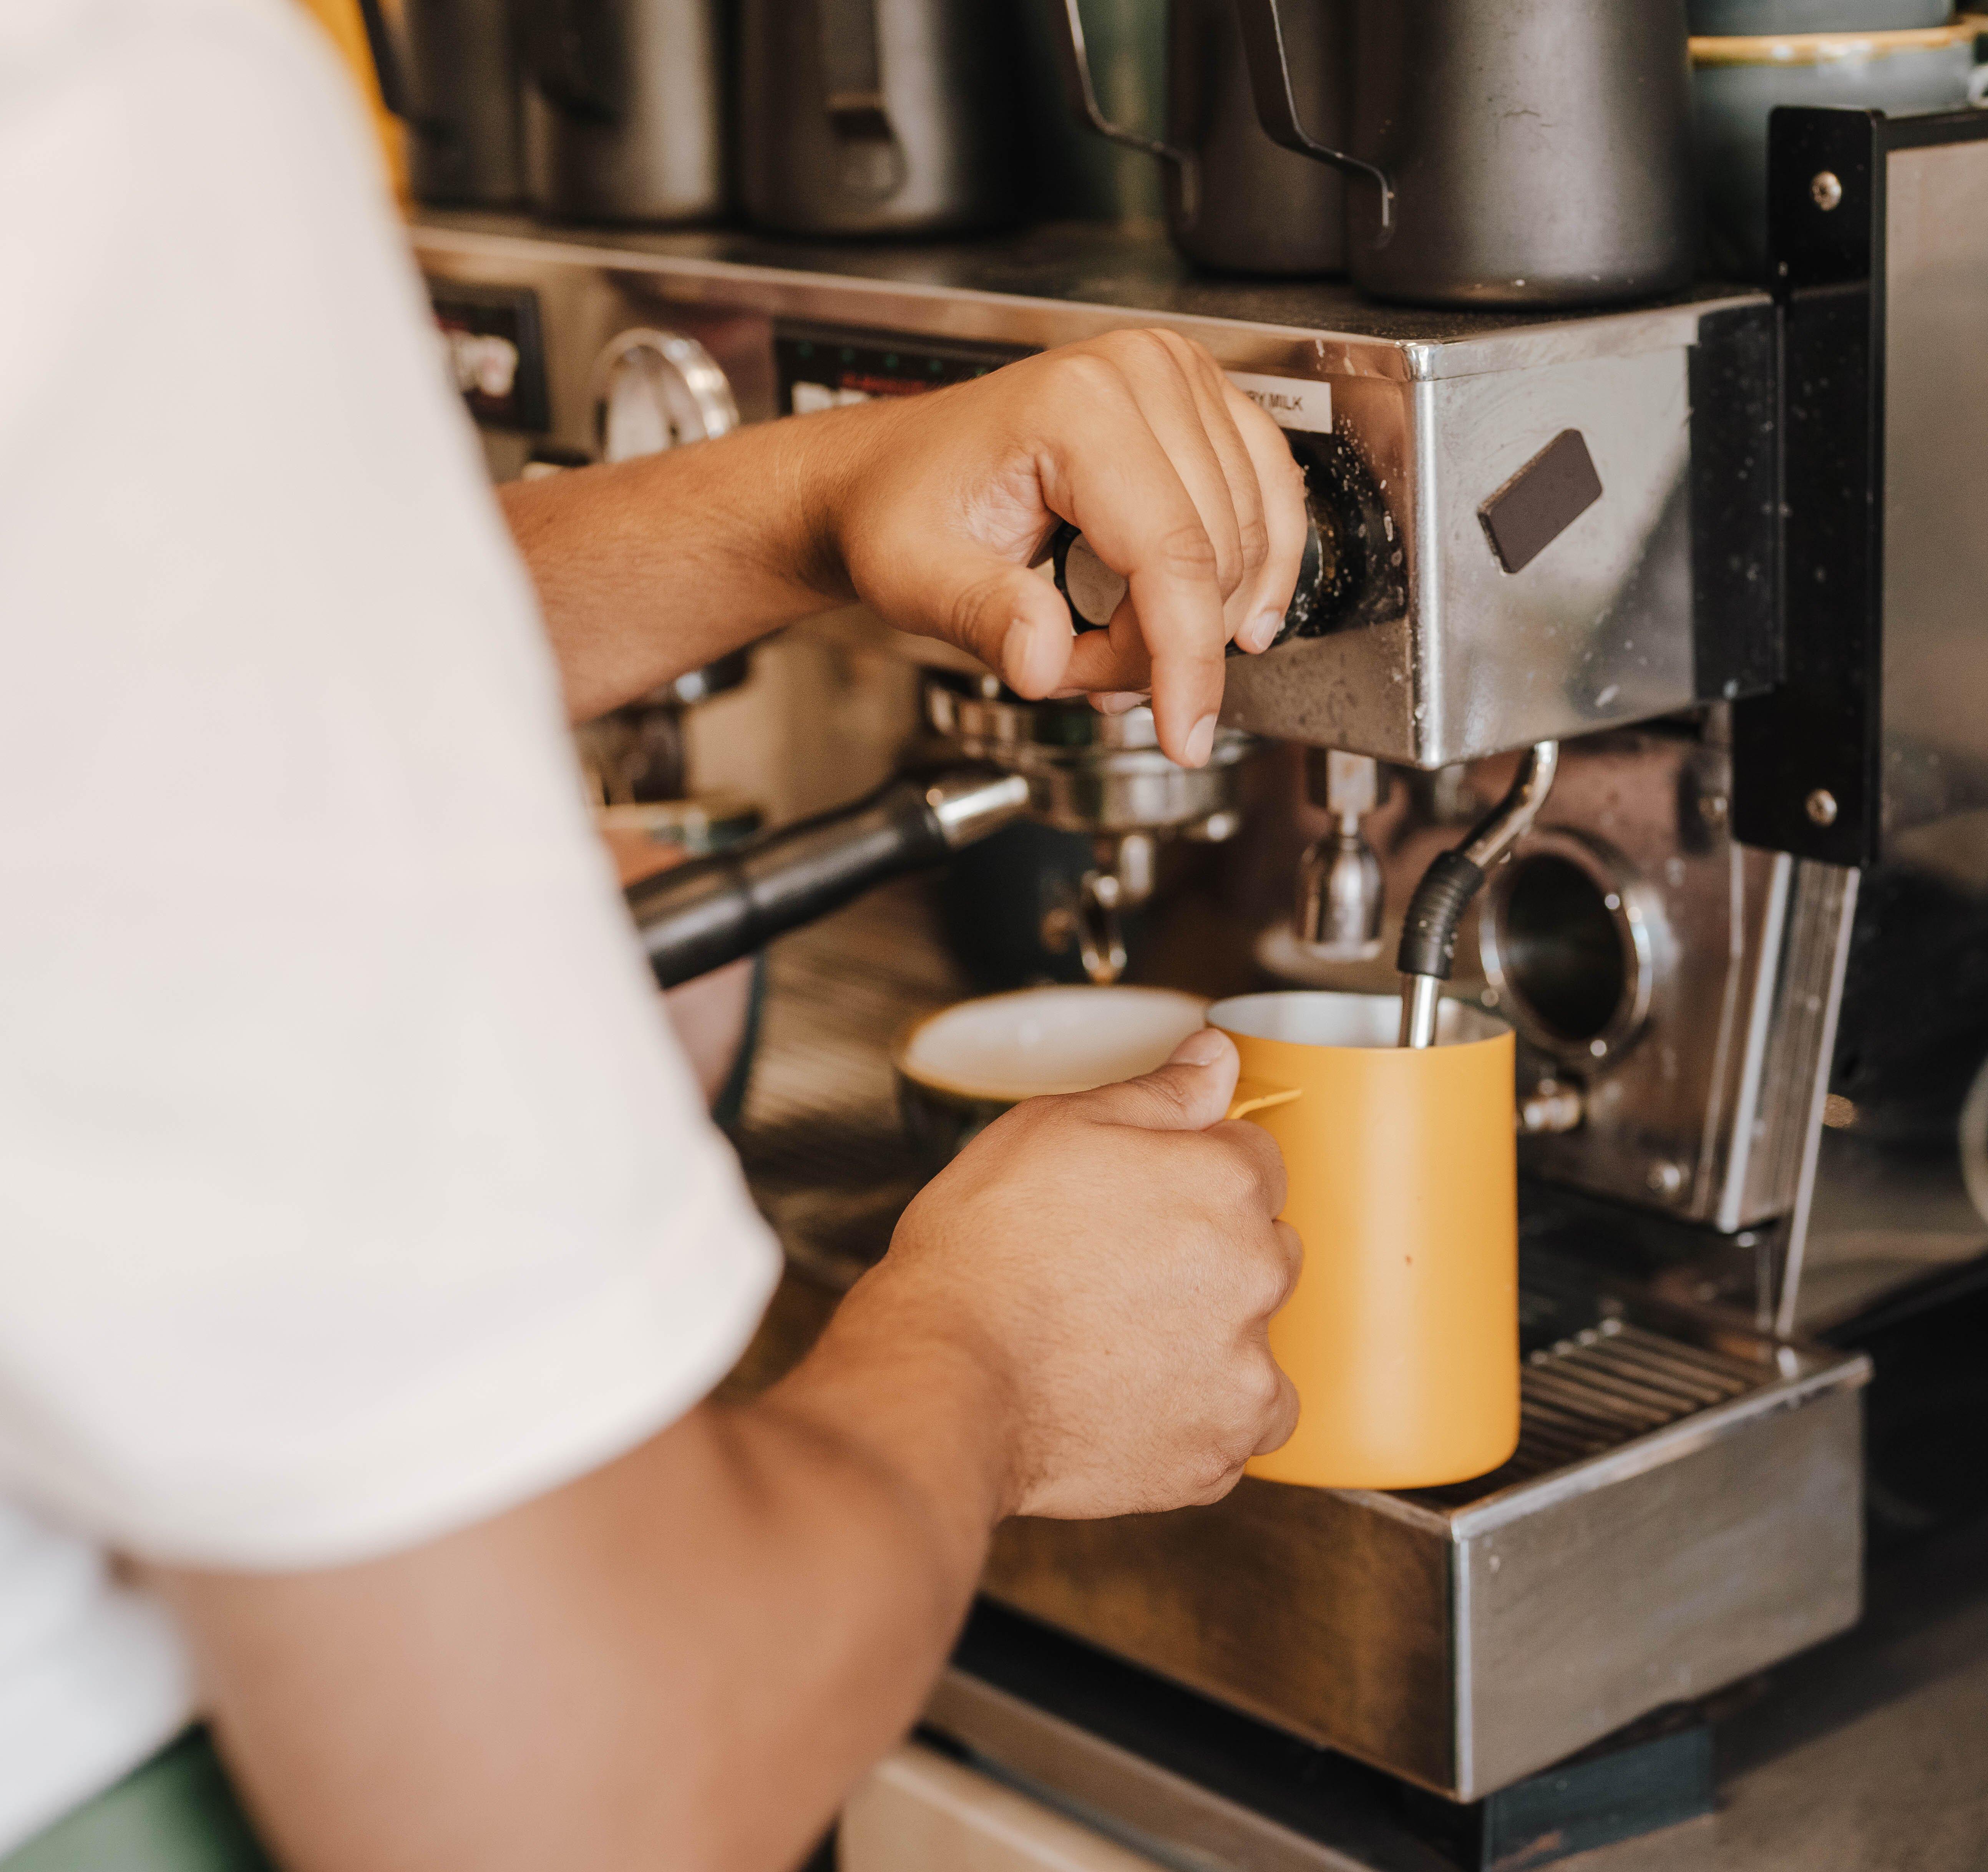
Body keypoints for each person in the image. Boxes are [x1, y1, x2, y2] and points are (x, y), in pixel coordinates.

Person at [0, 1, 1315, 1866]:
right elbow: (570, 1795)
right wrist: (994, 1360)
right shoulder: (108, 111)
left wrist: (804, 498)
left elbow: (137, 686)